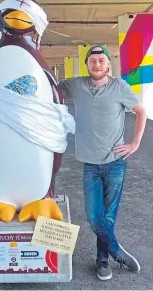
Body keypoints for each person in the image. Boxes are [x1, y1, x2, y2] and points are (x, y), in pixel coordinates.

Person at [58, 45, 147, 281]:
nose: (97, 64)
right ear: (86, 64)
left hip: (116, 162)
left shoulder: (120, 87)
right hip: (90, 164)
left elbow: (140, 111)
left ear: (108, 64)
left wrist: (135, 143)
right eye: (93, 61)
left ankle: (103, 259)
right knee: (94, 217)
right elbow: (49, 85)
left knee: (108, 217)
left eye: (101, 60)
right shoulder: (76, 85)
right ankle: (116, 250)